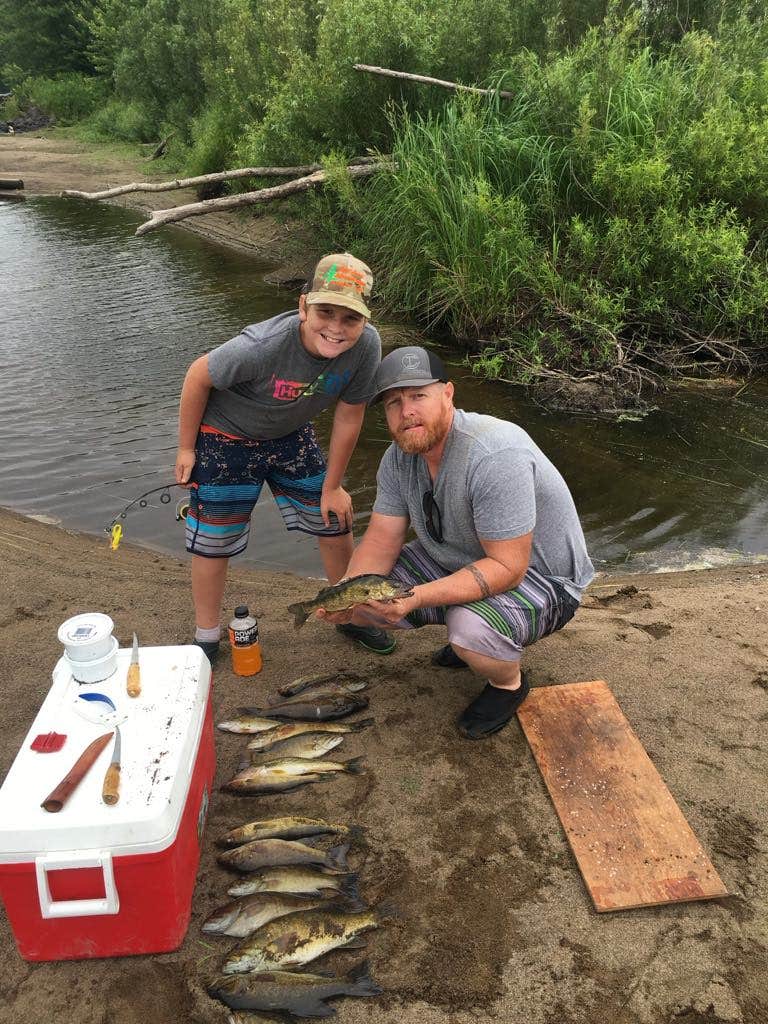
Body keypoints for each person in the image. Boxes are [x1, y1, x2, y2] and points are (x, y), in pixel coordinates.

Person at [317, 346, 594, 738]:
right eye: (394, 403)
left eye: (418, 396)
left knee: (469, 632)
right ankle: (469, 630)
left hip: (543, 577)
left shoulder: (494, 453)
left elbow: (508, 568)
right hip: (461, 558)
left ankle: (508, 685)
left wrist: (418, 597)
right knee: (362, 601)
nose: (406, 411)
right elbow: (380, 540)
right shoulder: (398, 458)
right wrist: (349, 596)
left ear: (448, 394)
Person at [174, 252, 395, 661]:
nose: (336, 328)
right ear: (303, 305)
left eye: (351, 318)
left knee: (335, 517)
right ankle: (206, 635)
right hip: (225, 436)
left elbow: (350, 415)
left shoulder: (367, 347)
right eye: (325, 312)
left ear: (365, 319)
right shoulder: (262, 345)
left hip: (290, 434)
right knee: (213, 539)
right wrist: (187, 448)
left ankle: (347, 615)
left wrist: (333, 487)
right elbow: (197, 376)